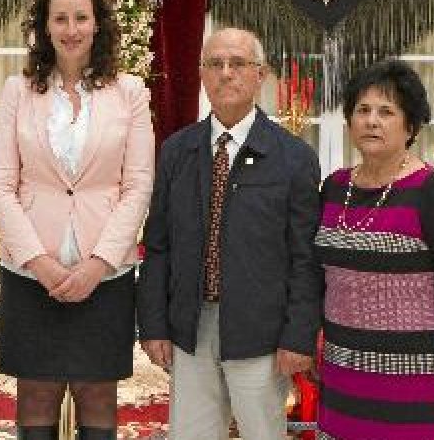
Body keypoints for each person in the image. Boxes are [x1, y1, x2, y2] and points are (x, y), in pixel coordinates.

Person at [0, 0, 155, 440]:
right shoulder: (17, 91)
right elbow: (0, 184)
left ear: (98, 24)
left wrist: (98, 265)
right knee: (36, 393)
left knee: (97, 393)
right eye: (59, 18)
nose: (71, 29)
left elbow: (138, 186)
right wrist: (39, 263)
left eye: (81, 17)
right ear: (44, 26)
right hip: (30, 274)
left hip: (106, 275)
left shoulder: (130, 92)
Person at [137, 27, 322, 440]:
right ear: (202, 74)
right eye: (215, 64)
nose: (226, 73)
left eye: (238, 63)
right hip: (191, 327)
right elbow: (158, 245)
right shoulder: (177, 151)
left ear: (261, 75)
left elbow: (306, 259)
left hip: (261, 333)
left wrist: (299, 335)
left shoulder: (293, 158)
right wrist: (153, 324)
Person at [314, 59, 434, 440]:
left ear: (411, 126)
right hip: (341, 367)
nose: (372, 121)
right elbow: (317, 274)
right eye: (362, 110)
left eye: (386, 112)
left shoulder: (430, 191)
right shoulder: (334, 187)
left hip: (410, 375)